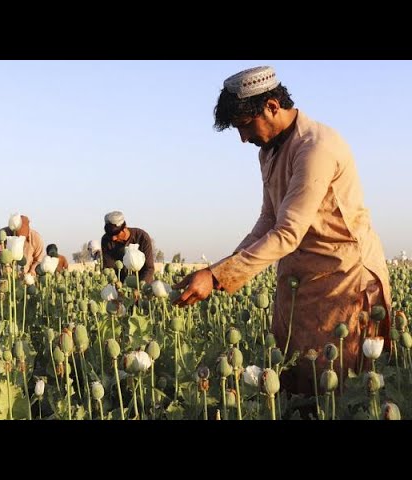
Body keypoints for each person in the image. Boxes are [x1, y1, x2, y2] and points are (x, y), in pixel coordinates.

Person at [172, 66, 391, 397]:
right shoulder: (269, 150)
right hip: (299, 278)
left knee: (337, 386)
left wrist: (217, 277)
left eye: (245, 126)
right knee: (294, 377)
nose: (243, 138)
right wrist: (217, 269)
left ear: (272, 106)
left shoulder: (315, 148)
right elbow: (269, 218)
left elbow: (287, 232)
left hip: (342, 278)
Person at [101, 211, 155, 283]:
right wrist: (117, 285)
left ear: (124, 228)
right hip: (120, 286)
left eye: (116, 234)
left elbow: (149, 268)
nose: (113, 238)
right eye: (110, 235)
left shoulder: (142, 237)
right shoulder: (106, 240)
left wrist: (141, 286)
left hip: (142, 284)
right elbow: (109, 268)